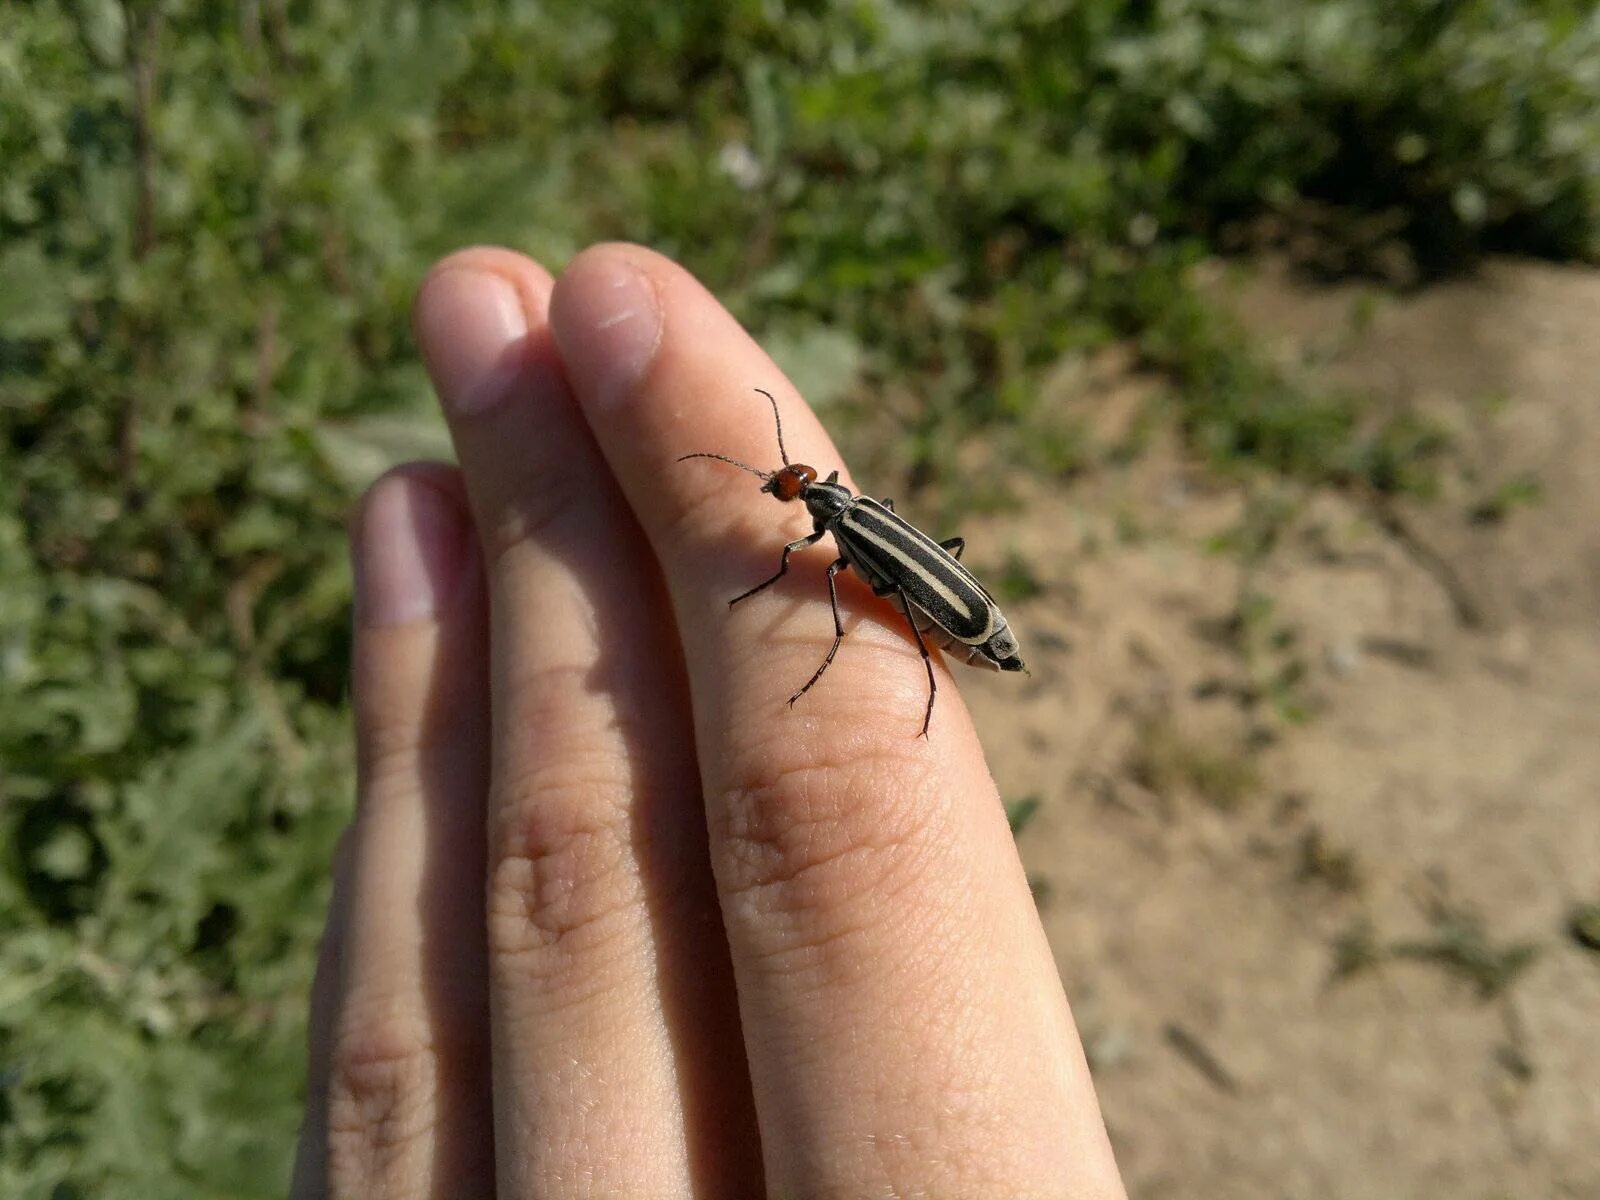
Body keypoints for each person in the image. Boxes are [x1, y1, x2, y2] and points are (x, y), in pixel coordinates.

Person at [289, 243, 1127, 1199]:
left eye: (785, 486)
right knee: (884, 574)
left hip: (957, 610)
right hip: (962, 597)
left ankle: (938, 668)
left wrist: (907, 651)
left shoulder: (836, 526)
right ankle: (945, 652)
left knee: (876, 589)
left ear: (806, 495)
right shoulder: (845, 510)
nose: (783, 491)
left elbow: (842, 576)